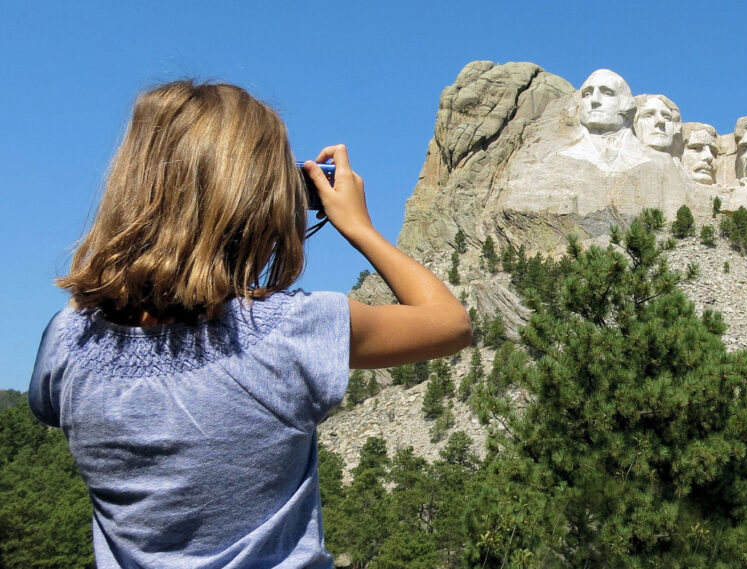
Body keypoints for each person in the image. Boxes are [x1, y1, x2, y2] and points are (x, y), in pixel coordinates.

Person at [28, 80, 471, 568]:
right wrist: (359, 226)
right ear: (263, 204)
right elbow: (450, 323)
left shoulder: (67, 341)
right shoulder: (290, 330)